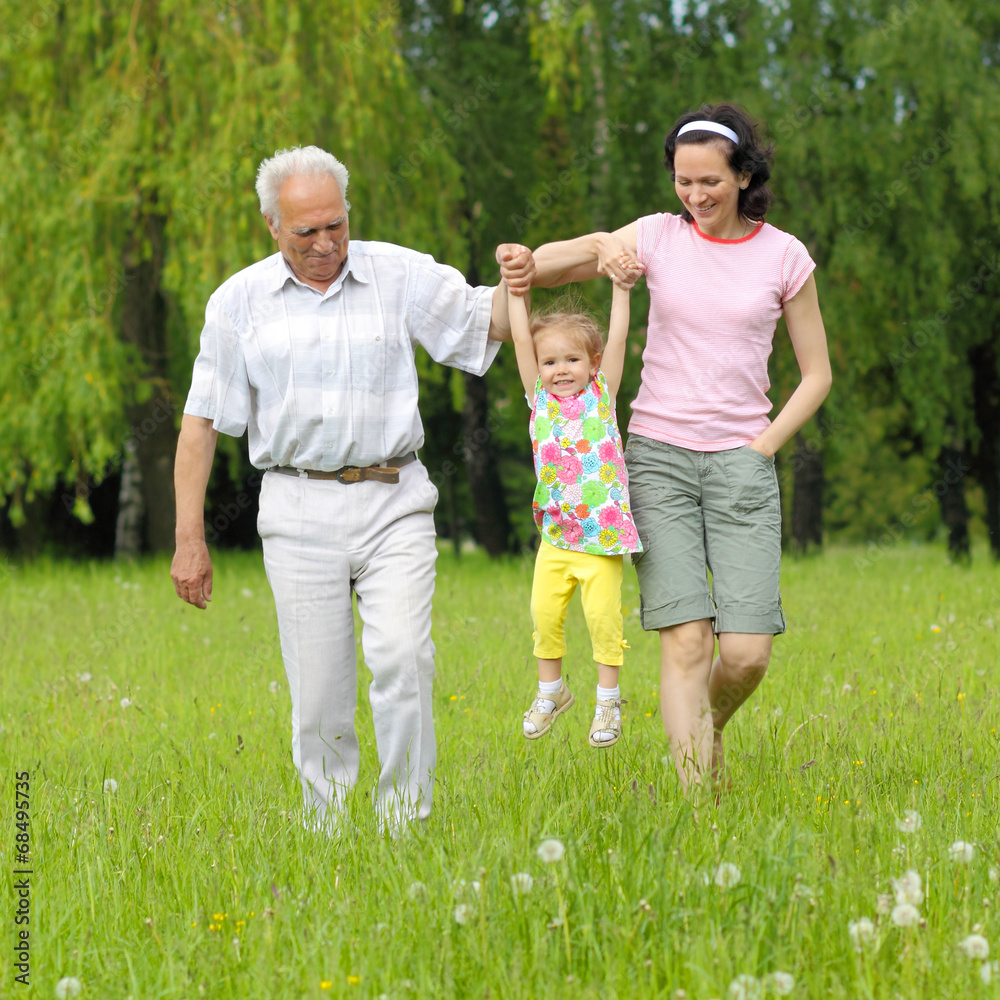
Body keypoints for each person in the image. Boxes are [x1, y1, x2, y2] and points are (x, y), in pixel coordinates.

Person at [170, 144, 529, 831]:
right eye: (306, 231)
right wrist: (190, 540)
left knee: (403, 658)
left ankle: (404, 824)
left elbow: (489, 321)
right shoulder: (238, 303)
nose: (326, 243)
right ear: (273, 226)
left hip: (396, 498)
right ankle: (327, 829)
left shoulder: (397, 273)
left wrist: (537, 274)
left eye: (335, 224)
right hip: (297, 504)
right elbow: (201, 424)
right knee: (320, 690)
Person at [524, 103, 833, 789]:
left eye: (710, 182)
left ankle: (707, 723)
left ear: (745, 175)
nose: (695, 197)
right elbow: (540, 268)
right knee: (688, 641)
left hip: (741, 463)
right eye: (682, 182)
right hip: (657, 459)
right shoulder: (657, 237)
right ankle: (701, 809)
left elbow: (817, 374)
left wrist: (761, 448)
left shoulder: (784, 256)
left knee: (748, 652)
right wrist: (594, 248)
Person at [505, 250, 643, 748]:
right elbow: (521, 338)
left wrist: (622, 290)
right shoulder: (538, 399)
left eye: (571, 359)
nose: (560, 369)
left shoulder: (601, 396)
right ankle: (551, 692)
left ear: (593, 363)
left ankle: (608, 704)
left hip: (602, 538)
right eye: (550, 361)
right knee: (544, 613)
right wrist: (515, 292)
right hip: (557, 536)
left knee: (604, 620)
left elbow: (621, 336)